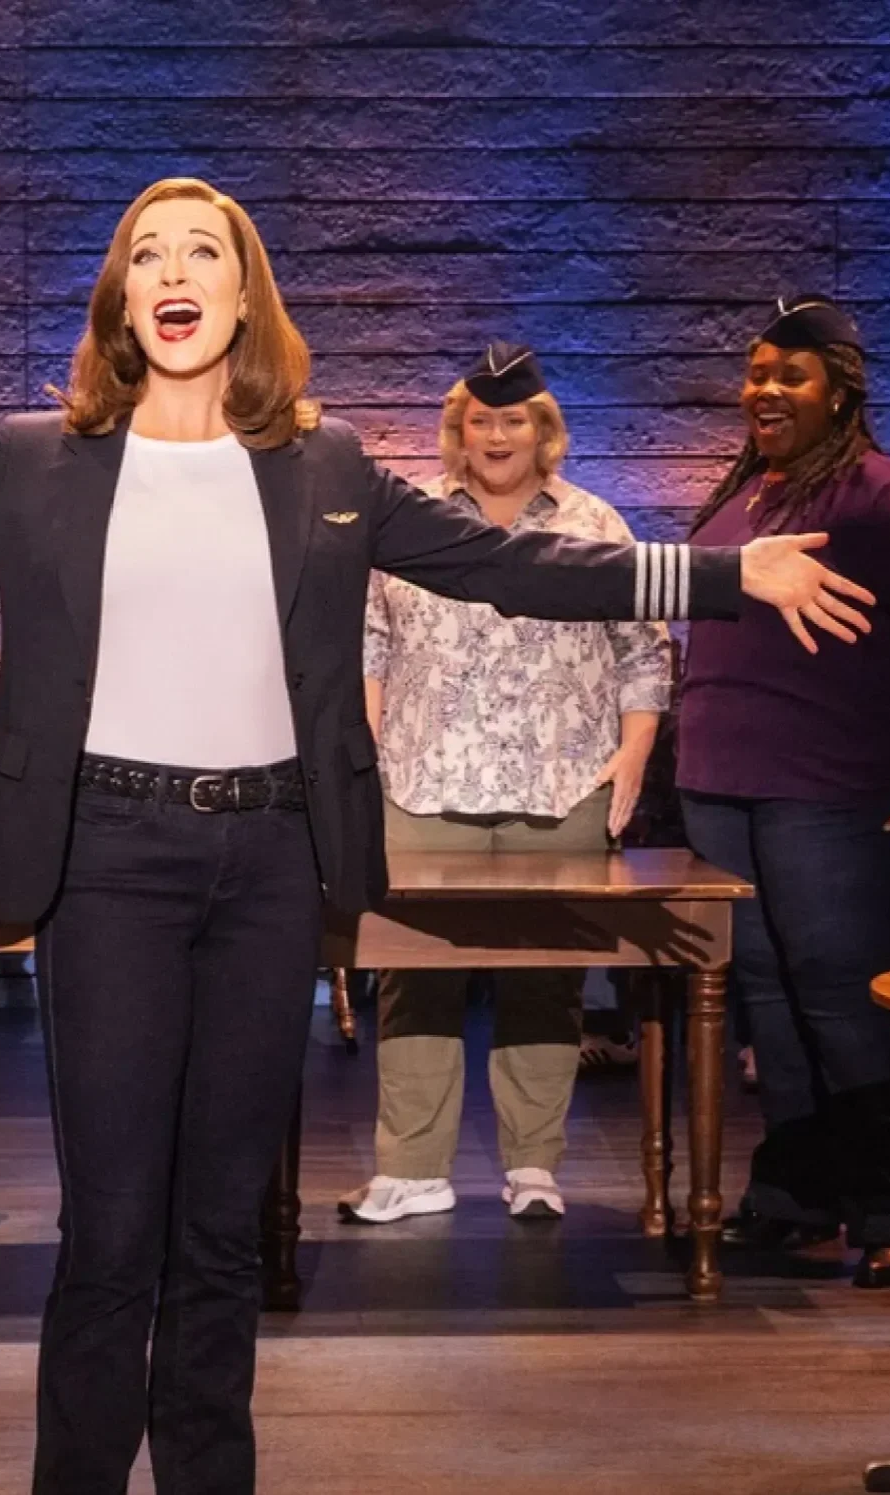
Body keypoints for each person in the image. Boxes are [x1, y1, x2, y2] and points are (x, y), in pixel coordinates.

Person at [0, 180, 871, 1493]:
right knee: (110, 1233)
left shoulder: (324, 463)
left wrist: (722, 572)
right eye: (146, 254)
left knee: (217, 1235)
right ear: (117, 300)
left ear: (245, 294)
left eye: (200, 250)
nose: (171, 272)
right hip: (109, 858)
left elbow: (514, 564)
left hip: (269, 862)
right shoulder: (40, 461)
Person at [343, 344, 672, 1225]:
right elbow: (369, 637)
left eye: (512, 418)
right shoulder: (410, 521)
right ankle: (411, 1167)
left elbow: (643, 648)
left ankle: (533, 1164)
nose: (495, 434)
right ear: (457, 430)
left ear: (543, 429)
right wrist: (367, 742)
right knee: (413, 975)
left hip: (559, 783)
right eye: (478, 419)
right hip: (422, 780)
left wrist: (633, 753)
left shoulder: (594, 524)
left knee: (547, 976)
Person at [677, 295, 890, 1287]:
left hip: (828, 788)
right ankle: (795, 1193)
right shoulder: (743, 495)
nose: (763, 390)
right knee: (765, 997)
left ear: (839, 390)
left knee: (838, 994)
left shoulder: (881, 496)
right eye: (755, 373)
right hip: (723, 787)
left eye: (789, 375)